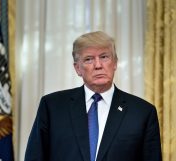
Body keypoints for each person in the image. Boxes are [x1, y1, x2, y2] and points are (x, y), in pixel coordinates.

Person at [24, 31, 162, 161]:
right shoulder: (52, 107)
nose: (98, 65)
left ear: (115, 63)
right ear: (77, 68)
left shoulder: (142, 112)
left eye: (104, 57)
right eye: (89, 59)